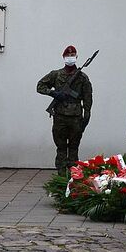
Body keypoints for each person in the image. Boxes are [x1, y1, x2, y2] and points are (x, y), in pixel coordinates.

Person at [37, 45, 93, 176]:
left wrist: (87, 114)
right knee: (61, 148)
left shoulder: (82, 77)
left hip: (75, 117)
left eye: (73, 56)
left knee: (74, 148)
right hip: (60, 117)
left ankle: (73, 178)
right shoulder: (56, 75)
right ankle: (61, 177)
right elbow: (40, 86)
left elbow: (87, 97)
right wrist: (54, 93)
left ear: (76, 57)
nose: (70, 58)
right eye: (68, 56)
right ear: (63, 57)